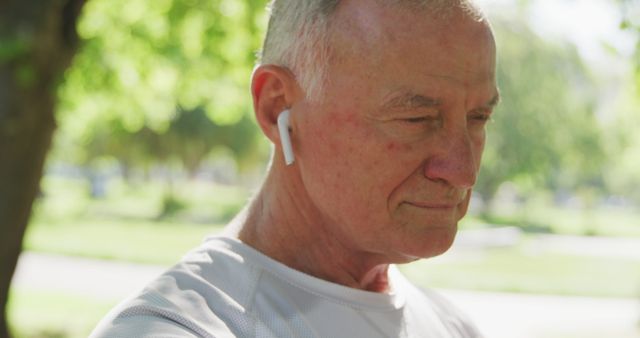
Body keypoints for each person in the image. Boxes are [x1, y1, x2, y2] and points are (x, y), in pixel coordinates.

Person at [91, 0, 499, 337]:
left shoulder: (453, 327)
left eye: (478, 118)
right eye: (416, 119)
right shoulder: (182, 327)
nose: (462, 171)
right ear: (277, 107)